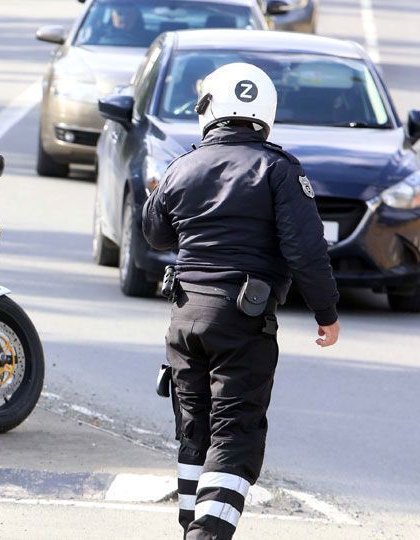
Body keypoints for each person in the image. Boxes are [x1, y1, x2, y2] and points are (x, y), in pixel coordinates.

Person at [141, 62, 340, 540]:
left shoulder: (182, 166)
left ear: (210, 108)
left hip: (184, 319)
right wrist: (326, 313)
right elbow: (305, 251)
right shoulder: (278, 169)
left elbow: (155, 232)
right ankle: (206, 534)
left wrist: (161, 193)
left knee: (195, 431)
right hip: (241, 320)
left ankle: (192, 527)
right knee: (234, 435)